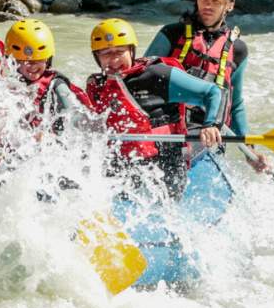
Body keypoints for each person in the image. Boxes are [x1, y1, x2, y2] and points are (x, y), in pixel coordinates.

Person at [82, 18, 224, 199]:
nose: (114, 59)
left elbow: (211, 92)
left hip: (165, 165)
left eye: (120, 51)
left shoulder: (156, 75)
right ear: (97, 57)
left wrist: (211, 124)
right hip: (124, 163)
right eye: (106, 53)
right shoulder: (99, 85)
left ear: (131, 51)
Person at [143, 0, 269, 172]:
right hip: (168, 127)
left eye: (216, 0)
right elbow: (141, 79)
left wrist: (250, 151)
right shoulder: (171, 34)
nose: (208, 5)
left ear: (229, 5)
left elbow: (235, 104)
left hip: (209, 135)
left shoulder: (237, 50)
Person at [4, 18, 86, 135]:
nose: (32, 66)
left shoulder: (56, 85)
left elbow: (74, 119)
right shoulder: (8, 84)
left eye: (39, 59)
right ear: (13, 62)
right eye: (23, 60)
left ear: (48, 59)